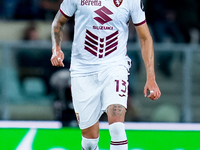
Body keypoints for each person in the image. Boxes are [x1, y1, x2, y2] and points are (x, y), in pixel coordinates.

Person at [50, 0, 161, 149]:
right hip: (83, 70)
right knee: (89, 141)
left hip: (115, 67)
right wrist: (56, 48)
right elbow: (58, 22)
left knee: (117, 127)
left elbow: (145, 37)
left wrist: (151, 78)